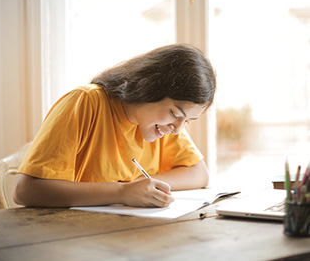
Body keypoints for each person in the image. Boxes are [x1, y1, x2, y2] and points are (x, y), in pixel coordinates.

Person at [14, 43, 216, 208]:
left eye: (187, 121)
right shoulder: (85, 102)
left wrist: (141, 185)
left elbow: (199, 174)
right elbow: (26, 191)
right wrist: (122, 192)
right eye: (174, 114)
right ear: (150, 88)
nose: (178, 129)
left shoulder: (163, 125)